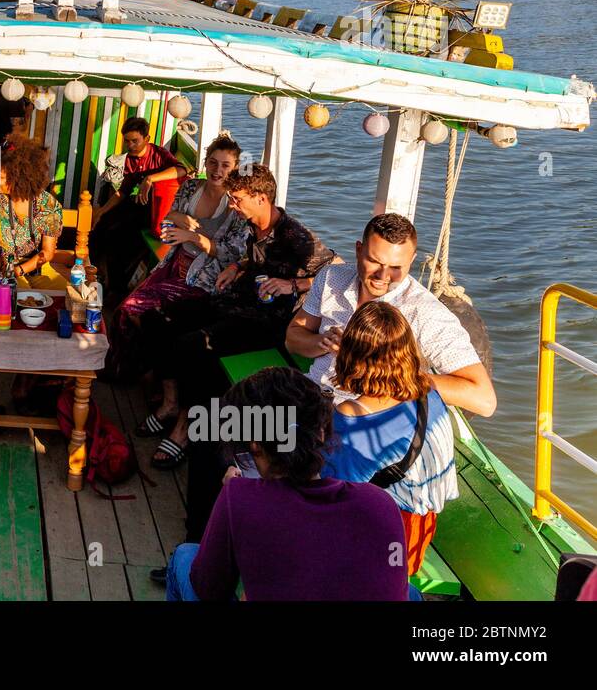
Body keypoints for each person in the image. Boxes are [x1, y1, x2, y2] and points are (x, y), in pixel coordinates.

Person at [143, 163, 335, 472]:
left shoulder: (294, 235)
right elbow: (254, 256)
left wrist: (293, 284)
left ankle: (184, 430)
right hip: (234, 303)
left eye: (238, 198)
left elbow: (333, 268)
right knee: (158, 319)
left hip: (265, 321)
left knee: (194, 347)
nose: (233, 204)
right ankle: (171, 402)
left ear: (260, 197)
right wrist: (239, 266)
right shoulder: (252, 225)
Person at [161, 366, 410, 601]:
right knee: (411, 592)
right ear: (321, 433)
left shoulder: (239, 496)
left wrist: (232, 501)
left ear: (254, 444)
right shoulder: (380, 501)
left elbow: (208, 588)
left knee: (184, 557)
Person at [285, 212, 496, 417]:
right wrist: (323, 342)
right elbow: (293, 339)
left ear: (411, 260)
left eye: (396, 267)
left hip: (369, 417)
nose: (383, 276)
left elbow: (483, 400)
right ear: (359, 250)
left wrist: (378, 370)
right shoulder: (331, 277)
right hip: (313, 394)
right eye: (375, 261)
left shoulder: (424, 312)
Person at [320, 301, 458, 576]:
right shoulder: (427, 392)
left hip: (384, 541)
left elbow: (330, 495)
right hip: (420, 532)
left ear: (349, 355)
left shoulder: (352, 415)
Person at [105, 134, 247, 387]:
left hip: (203, 279)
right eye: (212, 163)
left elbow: (233, 253)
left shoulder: (236, 203)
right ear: (205, 162)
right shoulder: (192, 187)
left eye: (225, 165)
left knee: (132, 309)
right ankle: (133, 367)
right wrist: (176, 217)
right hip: (173, 263)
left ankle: (139, 370)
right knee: (124, 310)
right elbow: (166, 227)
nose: (217, 170)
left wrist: (195, 236)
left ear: (235, 167)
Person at [90, 116, 186, 306]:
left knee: (121, 241)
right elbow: (123, 191)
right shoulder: (130, 160)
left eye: (135, 140)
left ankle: (116, 290)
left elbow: (181, 170)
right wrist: (101, 211)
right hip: (138, 204)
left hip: (156, 212)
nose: (130, 145)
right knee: (101, 226)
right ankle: (95, 274)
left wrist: (150, 179)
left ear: (147, 138)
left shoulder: (159, 155)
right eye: (127, 141)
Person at [0, 136, 63, 285]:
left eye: (3, 178)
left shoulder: (48, 203)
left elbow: (48, 252)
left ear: (21, 178)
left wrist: (21, 269)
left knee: (61, 291)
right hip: (2, 268)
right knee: (15, 292)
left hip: (38, 267)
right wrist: (13, 272)